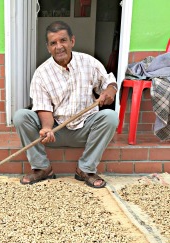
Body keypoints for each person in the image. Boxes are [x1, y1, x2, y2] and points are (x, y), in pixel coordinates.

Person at [13, 21, 118, 188]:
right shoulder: (41, 74)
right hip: (56, 131)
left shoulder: (89, 62)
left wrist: (111, 90)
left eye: (63, 40)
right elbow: (43, 107)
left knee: (110, 117)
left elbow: (109, 83)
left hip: (85, 128)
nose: (59, 46)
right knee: (20, 116)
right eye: (53, 43)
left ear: (72, 41)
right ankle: (42, 168)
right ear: (48, 47)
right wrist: (47, 128)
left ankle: (85, 169)